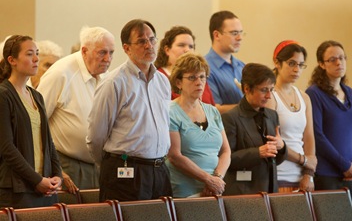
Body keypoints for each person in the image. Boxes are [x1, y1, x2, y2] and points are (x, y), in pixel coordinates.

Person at [86, 19, 172, 202]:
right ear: (126, 48)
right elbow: (96, 135)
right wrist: (112, 162)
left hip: (159, 170)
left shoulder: (163, 81)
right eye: (141, 41)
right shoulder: (114, 82)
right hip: (126, 171)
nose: (149, 45)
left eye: (152, 39)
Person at [37, 26, 115, 194]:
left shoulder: (107, 76)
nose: (108, 59)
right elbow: (35, 124)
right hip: (67, 166)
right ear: (85, 50)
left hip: (100, 165)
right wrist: (54, 169)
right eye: (102, 52)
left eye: (111, 52)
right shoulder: (60, 74)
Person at [0, 35, 62, 208]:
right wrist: (37, 180)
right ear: (12, 60)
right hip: (18, 189)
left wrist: (57, 175)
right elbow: (7, 148)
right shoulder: (4, 95)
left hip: (45, 187)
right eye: (29, 54)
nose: (36, 59)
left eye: (37, 53)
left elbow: (48, 142)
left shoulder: (37, 96)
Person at [306, 40, 352, 204]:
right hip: (326, 173)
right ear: (321, 64)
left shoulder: (349, 92)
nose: (339, 62)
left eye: (342, 58)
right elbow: (317, 135)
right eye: (332, 59)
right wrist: (344, 165)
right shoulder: (314, 93)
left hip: (350, 175)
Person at [166, 52, 231, 197]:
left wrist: (217, 179)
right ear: (178, 82)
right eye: (192, 77)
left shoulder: (213, 111)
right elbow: (175, 156)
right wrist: (207, 179)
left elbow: (226, 151)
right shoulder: (170, 112)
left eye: (202, 77)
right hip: (184, 189)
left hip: (213, 188)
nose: (199, 82)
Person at [222, 63, 287, 195]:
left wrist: (282, 146)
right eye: (264, 90)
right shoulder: (230, 118)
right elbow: (226, 159)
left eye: (272, 89)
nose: (269, 96)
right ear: (246, 89)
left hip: (270, 190)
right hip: (243, 193)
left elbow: (276, 160)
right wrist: (258, 152)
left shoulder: (272, 115)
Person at [265, 40, 317, 192]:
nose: (297, 70)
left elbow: (309, 138)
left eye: (301, 65)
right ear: (277, 62)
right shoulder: (270, 96)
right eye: (292, 63)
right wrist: (304, 160)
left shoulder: (304, 97)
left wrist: (309, 174)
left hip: (302, 177)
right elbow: (273, 141)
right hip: (280, 175)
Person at [155, 26, 215, 105]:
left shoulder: (199, 75)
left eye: (191, 46)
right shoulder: (158, 78)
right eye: (181, 45)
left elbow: (212, 106)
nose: (187, 50)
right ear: (167, 50)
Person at [205, 10, 245, 113]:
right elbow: (213, 109)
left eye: (241, 33)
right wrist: (250, 106)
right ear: (217, 35)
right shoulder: (204, 68)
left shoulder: (242, 66)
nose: (239, 38)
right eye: (234, 33)